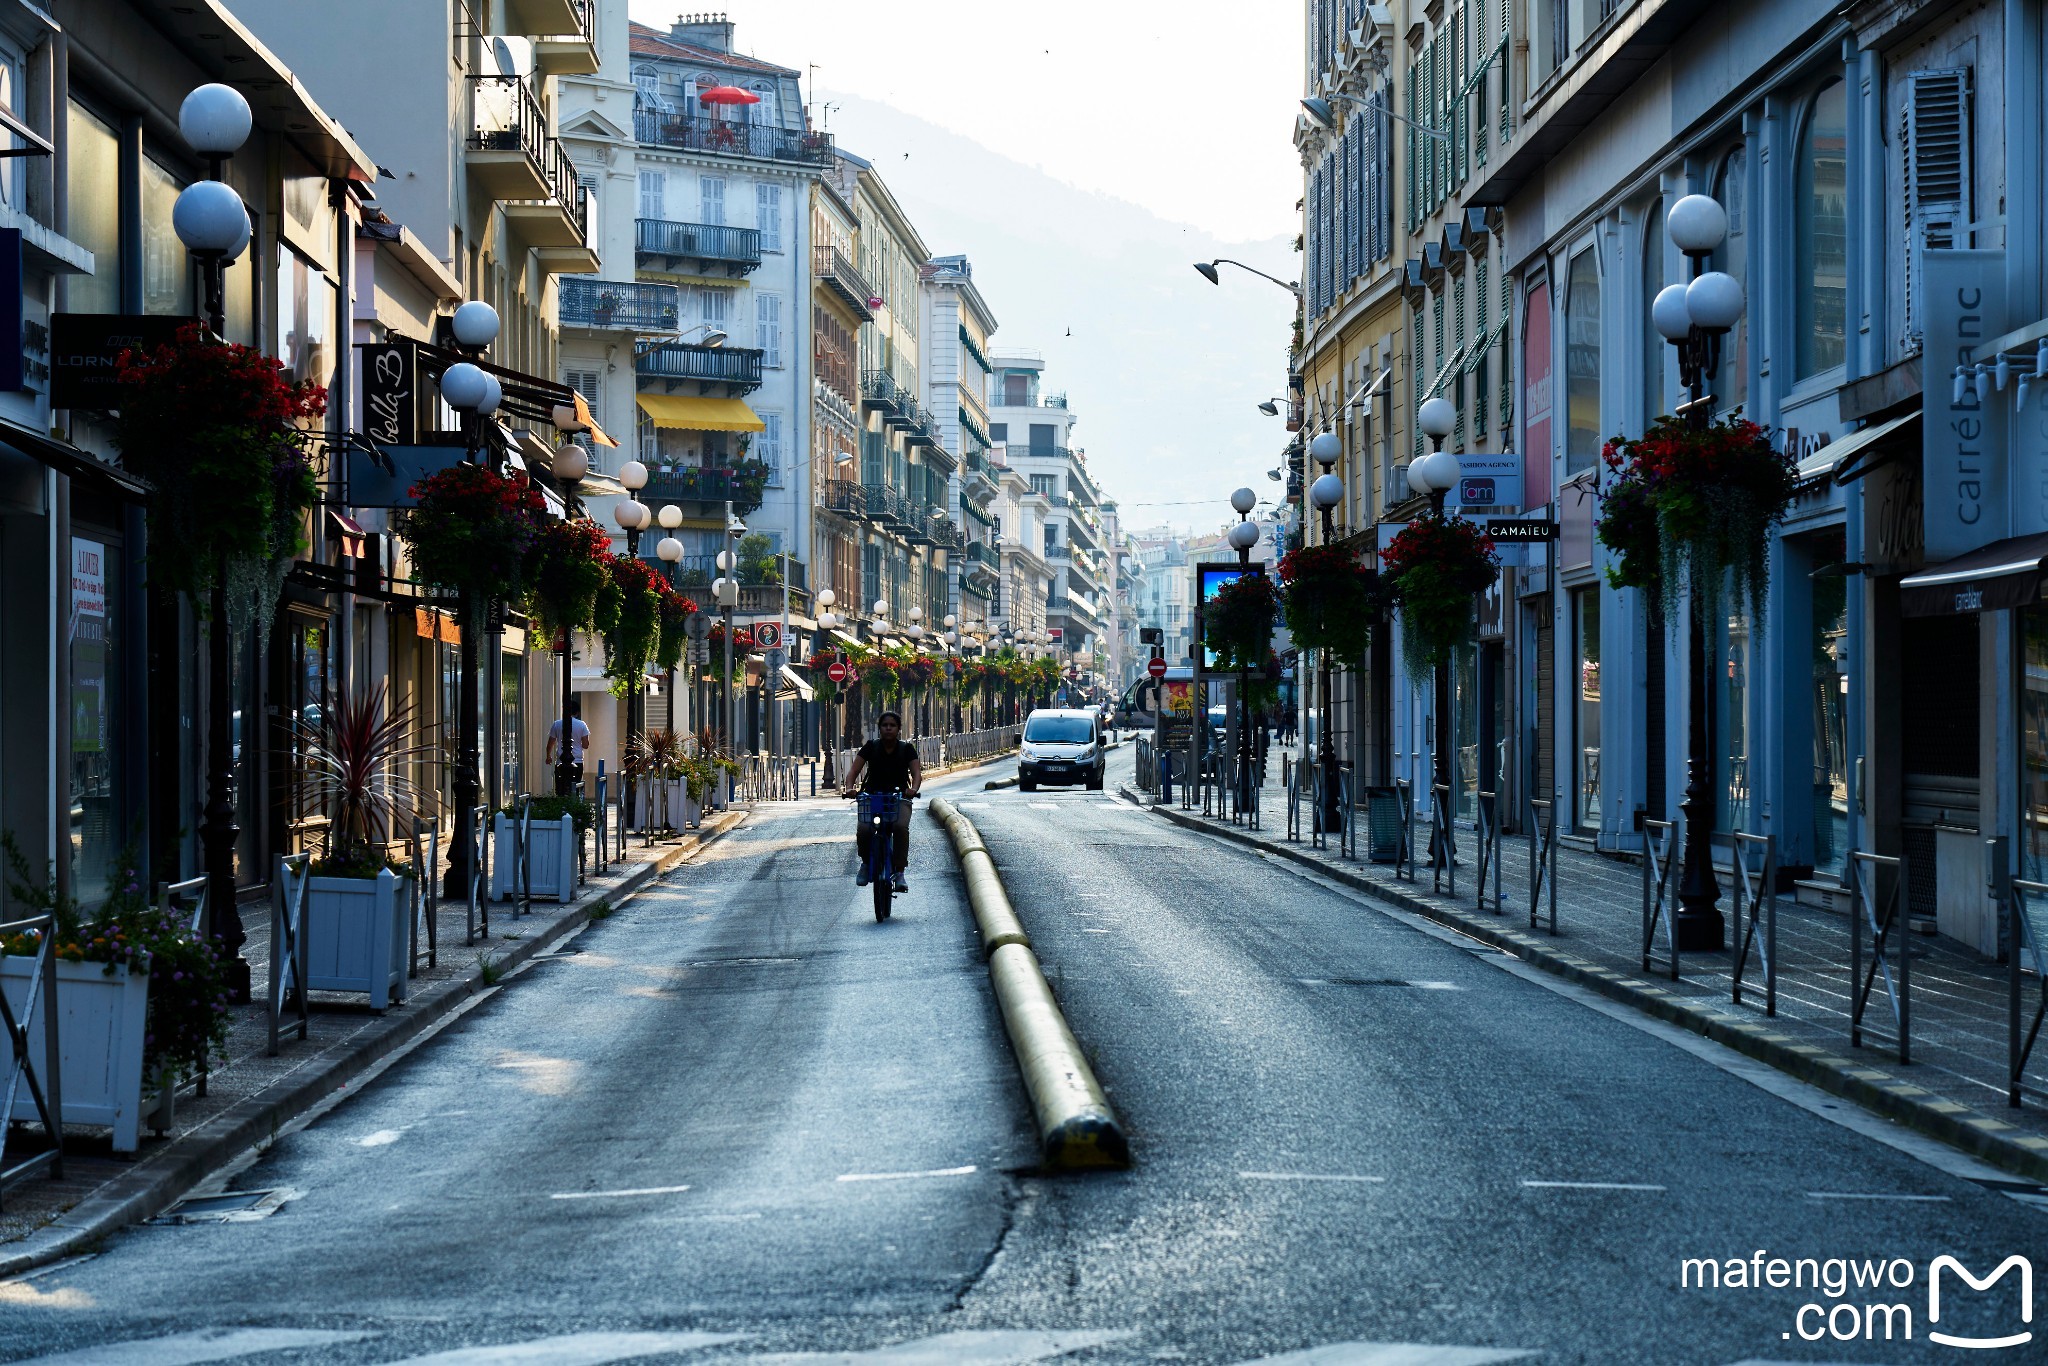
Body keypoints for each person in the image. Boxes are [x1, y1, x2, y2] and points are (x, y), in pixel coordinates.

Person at [840, 711, 922, 893]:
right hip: (872, 796)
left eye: (892, 725)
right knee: (864, 828)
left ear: (898, 729)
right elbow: (853, 771)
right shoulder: (871, 747)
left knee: (900, 827)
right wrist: (849, 788)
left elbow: (916, 773)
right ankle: (866, 863)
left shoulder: (906, 749)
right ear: (879, 729)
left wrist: (913, 789)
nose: (888, 728)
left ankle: (900, 872)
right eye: (885, 725)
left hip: (898, 797)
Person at [545, 695, 590, 791]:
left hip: (561, 761)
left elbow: (550, 744)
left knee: (561, 788)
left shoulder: (557, 724)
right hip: (577, 760)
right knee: (575, 788)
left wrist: (548, 756)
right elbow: (586, 745)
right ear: (577, 712)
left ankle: (562, 804)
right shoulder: (582, 725)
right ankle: (573, 804)